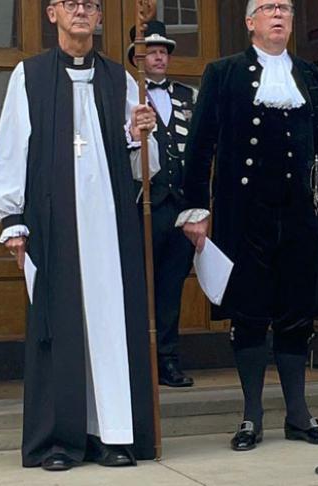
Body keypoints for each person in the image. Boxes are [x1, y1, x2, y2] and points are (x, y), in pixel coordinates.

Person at [0, 0, 159, 471]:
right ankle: (60, 441)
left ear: (100, 18)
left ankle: (114, 434)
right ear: (53, 13)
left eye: (91, 5)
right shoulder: (30, 76)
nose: (82, 12)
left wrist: (143, 133)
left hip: (110, 224)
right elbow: (12, 146)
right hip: (53, 223)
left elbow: (143, 168)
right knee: (60, 328)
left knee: (110, 324)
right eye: (71, 3)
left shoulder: (120, 77)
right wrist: (12, 220)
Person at [179, 0, 318, 451]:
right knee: (250, 313)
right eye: (268, 7)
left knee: (297, 313)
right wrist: (195, 208)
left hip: (299, 213)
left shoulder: (313, 76)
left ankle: (298, 415)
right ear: (250, 21)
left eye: (285, 8)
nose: (278, 14)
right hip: (244, 212)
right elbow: (200, 144)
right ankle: (251, 417)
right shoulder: (224, 72)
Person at [126, 20, 196, 388]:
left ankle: (168, 360)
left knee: (171, 287)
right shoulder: (127, 96)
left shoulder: (187, 95)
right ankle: (140, 361)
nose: (158, 56)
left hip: (180, 205)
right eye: (150, 51)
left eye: (163, 51)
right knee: (140, 285)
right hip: (143, 206)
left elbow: (200, 150)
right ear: (135, 57)